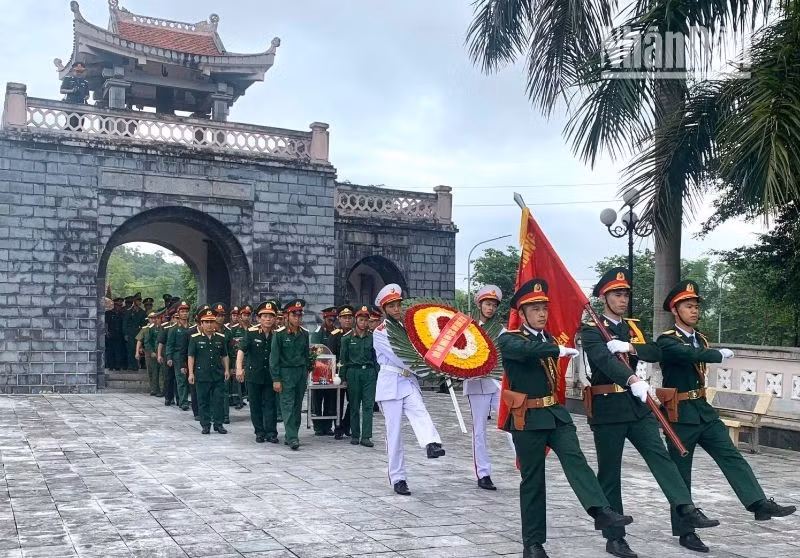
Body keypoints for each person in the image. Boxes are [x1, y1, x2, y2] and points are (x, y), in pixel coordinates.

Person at [581, 268, 719, 558]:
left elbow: (656, 352)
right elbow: (605, 362)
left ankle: (686, 510)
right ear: (604, 297)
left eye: (626, 294)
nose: (623, 299)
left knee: (663, 459)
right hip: (608, 407)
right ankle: (615, 537)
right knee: (610, 473)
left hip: (638, 406)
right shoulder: (592, 330)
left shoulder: (631, 329)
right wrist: (632, 380)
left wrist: (632, 346)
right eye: (617, 294)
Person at [498, 278, 634, 558]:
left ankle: (600, 511)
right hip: (528, 418)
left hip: (556, 415)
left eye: (544, 308)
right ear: (521, 314)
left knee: (577, 461)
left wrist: (554, 346)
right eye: (535, 309)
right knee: (533, 481)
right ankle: (533, 544)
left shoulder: (548, 338)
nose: (542, 314)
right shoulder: (510, 339)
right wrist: (556, 349)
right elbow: (526, 351)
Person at [658, 280, 796, 553]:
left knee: (731, 455)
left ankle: (758, 503)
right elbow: (688, 355)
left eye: (696, 306)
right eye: (688, 306)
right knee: (681, 474)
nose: (694, 311)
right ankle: (686, 531)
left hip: (703, 412)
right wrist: (716, 355)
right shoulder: (667, 340)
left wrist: (710, 351)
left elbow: (697, 351)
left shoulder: (700, 338)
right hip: (680, 415)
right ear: (675, 310)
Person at [372, 283, 445, 496]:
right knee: (394, 433)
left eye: (398, 305)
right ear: (384, 309)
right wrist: (429, 368)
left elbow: (420, 347)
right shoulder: (380, 332)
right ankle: (398, 477)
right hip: (390, 383)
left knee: (420, 410)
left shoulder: (407, 328)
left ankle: (431, 443)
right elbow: (401, 357)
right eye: (391, 306)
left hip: (408, 381)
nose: (396, 309)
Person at [464, 285, 504, 491]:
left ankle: (524, 465)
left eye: (494, 305)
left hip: (497, 383)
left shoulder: (501, 330)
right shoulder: (468, 327)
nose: (490, 308)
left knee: (509, 424)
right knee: (479, 430)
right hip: (476, 383)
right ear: (480, 304)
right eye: (487, 304)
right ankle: (483, 472)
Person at [270, 299, 312, 450]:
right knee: (287, 405)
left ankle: (290, 435)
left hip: (300, 373)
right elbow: (274, 358)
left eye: (300, 316)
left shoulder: (304, 334)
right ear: (287, 316)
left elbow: (306, 355)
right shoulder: (279, 335)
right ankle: (293, 437)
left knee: (297, 406)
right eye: (295, 315)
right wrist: (276, 379)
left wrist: (307, 371)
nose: (298, 318)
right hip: (286, 373)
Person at [237, 300, 280, 444]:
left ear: (275, 318)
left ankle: (271, 432)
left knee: (270, 404)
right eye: (264, 316)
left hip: (270, 376)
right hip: (254, 375)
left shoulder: (277, 334)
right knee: (255, 404)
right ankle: (259, 432)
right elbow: (241, 350)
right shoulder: (251, 333)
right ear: (258, 318)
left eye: (271, 316)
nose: (268, 319)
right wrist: (239, 369)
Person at [340, 305, 378, 447]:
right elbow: (343, 360)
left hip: (369, 373)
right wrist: (343, 378)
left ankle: (366, 436)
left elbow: (376, 358)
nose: (363, 323)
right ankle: (355, 435)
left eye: (366, 320)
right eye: (361, 320)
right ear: (356, 320)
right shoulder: (347, 338)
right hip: (353, 373)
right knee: (354, 405)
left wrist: (377, 375)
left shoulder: (372, 338)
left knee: (368, 405)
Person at [188, 308, 231, 435]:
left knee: (219, 400)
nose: (209, 324)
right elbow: (191, 356)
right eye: (206, 322)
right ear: (201, 324)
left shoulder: (220, 338)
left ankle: (219, 424)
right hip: (202, 375)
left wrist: (227, 369)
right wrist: (191, 373)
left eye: (211, 321)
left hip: (217, 374)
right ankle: (205, 425)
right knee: (203, 401)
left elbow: (224, 355)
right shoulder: (195, 338)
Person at [309, 306, 338, 436]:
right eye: (330, 320)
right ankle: (318, 426)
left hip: (331, 371)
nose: (332, 322)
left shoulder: (336, 332)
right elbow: (315, 351)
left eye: (334, 320)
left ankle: (328, 426)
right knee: (317, 399)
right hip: (318, 372)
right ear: (324, 318)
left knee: (330, 399)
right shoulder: (318, 333)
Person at [327, 305, 354, 439]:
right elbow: (331, 356)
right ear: (339, 319)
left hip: (353, 373)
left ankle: (346, 424)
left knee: (353, 401)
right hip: (338, 373)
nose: (347, 320)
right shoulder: (335, 335)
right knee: (337, 401)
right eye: (344, 318)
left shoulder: (356, 333)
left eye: (349, 318)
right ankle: (337, 427)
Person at [166, 302, 192, 411]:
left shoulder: (192, 327)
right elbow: (170, 344)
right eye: (182, 312)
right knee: (181, 380)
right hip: (177, 357)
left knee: (190, 379)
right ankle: (183, 401)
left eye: (186, 311)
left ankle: (189, 400)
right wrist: (169, 357)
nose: (184, 314)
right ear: (178, 313)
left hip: (190, 356)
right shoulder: (174, 329)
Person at [212, 303, 235, 424]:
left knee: (225, 391)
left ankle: (225, 415)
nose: (220, 317)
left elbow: (230, 351)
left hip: (224, 365)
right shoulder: (209, 329)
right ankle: (213, 414)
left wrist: (231, 367)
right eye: (218, 315)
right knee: (212, 390)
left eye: (222, 315)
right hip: (212, 365)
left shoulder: (228, 331)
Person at [229, 304, 251, 410]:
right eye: (244, 315)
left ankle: (247, 397)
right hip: (237, 357)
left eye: (248, 315)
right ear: (240, 316)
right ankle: (237, 400)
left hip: (249, 358)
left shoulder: (252, 328)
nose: (246, 317)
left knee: (247, 379)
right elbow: (230, 343)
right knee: (237, 379)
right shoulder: (234, 329)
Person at [157, 307, 178, 406]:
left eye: (178, 317)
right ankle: (168, 397)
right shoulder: (166, 328)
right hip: (167, 356)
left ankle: (179, 399)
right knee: (168, 378)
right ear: (172, 318)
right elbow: (161, 343)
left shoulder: (184, 328)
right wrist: (159, 355)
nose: (176, 319)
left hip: (179, 357)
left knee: (178, 379)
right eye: (175, 317)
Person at [123, 293, 147, 371]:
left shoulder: (142, 312)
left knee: (138, 348)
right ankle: (130, 365)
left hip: (138, 331)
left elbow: (144, 324)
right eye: (138, 300)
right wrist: (125, 334)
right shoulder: (128, 311)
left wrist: (143, 334)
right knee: (130, 349)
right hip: (130, 332)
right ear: (134, 301)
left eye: (140, 300)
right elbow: (125, 323)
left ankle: (136, 365)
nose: (139, 302)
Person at [104, 297, 126, 370]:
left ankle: (118, 366)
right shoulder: (108, 313)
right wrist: (107, 332)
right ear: (114, 305)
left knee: (119, 351)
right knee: (110, 351)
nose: (119, 307)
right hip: (110, 335)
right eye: (117, 305)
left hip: (120, 335)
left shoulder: (122, 314)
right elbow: (106, 324)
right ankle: (111, 366)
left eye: (120, 306)